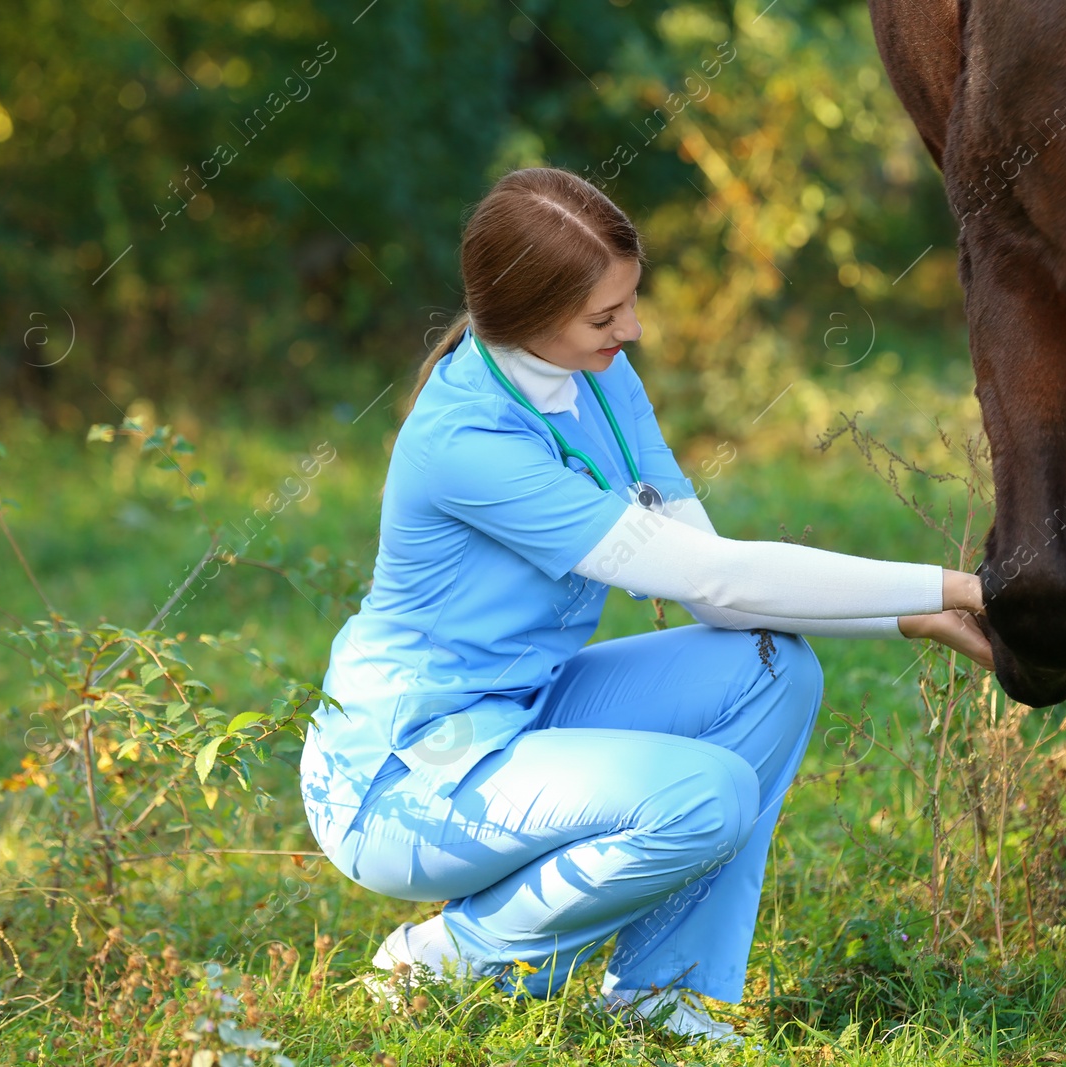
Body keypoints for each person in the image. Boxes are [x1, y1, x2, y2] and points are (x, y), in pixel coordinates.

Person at [297, 166, 991, 1043]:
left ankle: (670, 998)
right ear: (523, 316)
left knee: (769, 669)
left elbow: (712, 573)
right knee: (707, 793)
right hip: (405, 776)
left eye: (630, 302)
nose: (631, 329)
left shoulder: (597, 375)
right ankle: (449, 959)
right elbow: (716, 581)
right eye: (604, 315)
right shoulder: (467, 441)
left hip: (524, 709)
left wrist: (912, 616)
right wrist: (956, 584)